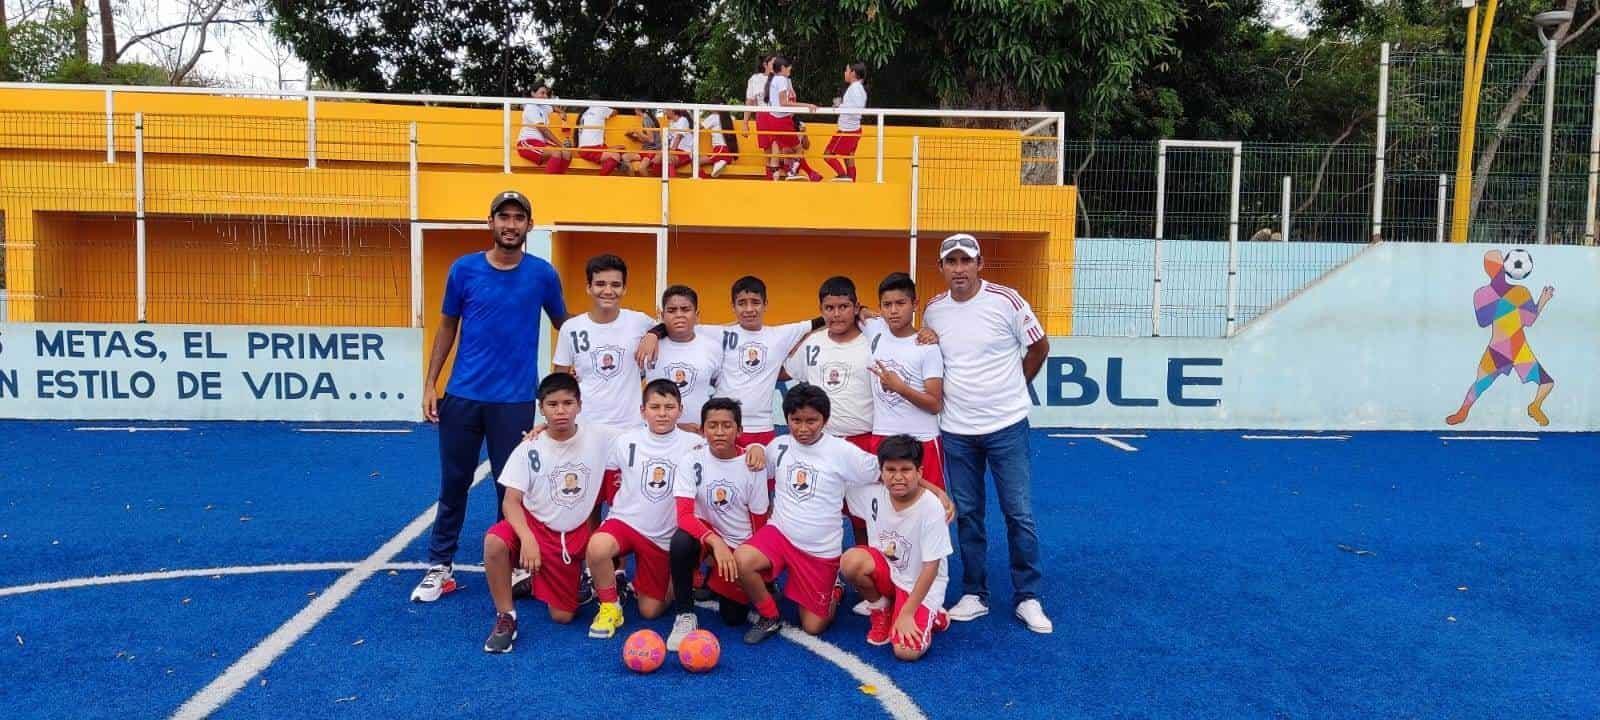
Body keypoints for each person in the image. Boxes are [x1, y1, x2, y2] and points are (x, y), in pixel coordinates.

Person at [413, 189, 568, 604]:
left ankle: (513, 563)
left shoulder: (542, 274)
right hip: (462, 396)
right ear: (491, 223)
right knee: (455, 483)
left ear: (529, 226)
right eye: (504, 217)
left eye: (519, 218)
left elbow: (565, 328)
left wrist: (566, 383)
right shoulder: (463, 270)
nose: (511, 224)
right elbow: (447, 327)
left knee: (511, 490)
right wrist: (432, 383)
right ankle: (439, 566)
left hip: (515, 400)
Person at [922, 232, 1053, 634]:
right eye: (951, 262)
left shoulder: (1006, 301)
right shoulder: (933, 310)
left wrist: (1017, 385)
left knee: (1019, 513)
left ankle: (1028, 597)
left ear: (980, 264)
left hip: (1006, 426)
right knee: (969, 516)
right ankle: (975, 594)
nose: (958, 269)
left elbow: (1039, 347)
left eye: (966, 261)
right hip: (957, 431)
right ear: (942, 268)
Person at [481, 373, 617, 652]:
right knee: (494, 541)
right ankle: (506, 617)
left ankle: (539, 580)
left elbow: (647, 435)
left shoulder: (601, 436)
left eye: (568, 403)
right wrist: (527, 538)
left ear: (580, 405)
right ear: (541, 408)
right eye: (552, 404)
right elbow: (510, 502)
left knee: (563, 616)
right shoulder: (529, 447)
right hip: (535, 525)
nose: (561, 410)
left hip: (572, 533)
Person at [734, 383, 879, 643]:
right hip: (779, 534)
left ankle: (833, 587)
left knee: (813, 626)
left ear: (825, 419)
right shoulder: (778, 446)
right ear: (786, 418)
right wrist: (754, 447)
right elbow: (749, 464)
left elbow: (883, 470)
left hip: (820, 549)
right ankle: (770, 616)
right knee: (742, 560)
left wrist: (932, 491)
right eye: (795, 420)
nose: (802, 428)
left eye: (811, 421)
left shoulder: (842, 451)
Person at [586, 380, 726, 639]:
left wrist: (753, 449)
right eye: (655, 407)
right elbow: (609, 476)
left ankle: (673, 574)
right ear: (642, 411)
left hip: (663, 537)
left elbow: (726, 454)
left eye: (669, 407)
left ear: (680, 410)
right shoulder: (624, 440)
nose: (662, 413)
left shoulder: (695, 444)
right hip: (626, 523)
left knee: (651, 611)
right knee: (596, 547)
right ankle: (609, 606)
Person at [665, 397, 771, 650]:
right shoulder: (691, 460)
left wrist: (755, 569)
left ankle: (716, 577)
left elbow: (760, 521)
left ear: (740, 431)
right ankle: (685, 615)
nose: (719, 432)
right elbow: (684, 516)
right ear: (703, 431)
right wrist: (716, 543)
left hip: (739, 546)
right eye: (713, 426)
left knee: (733, 618)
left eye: (727, 425)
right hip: (709, 538)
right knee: (680, 540)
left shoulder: (752, 465)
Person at [840, 435, 952, 661]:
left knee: (906, 652)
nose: (898, 477)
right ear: (880, 472)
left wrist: (908, 613)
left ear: (919, 473)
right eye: (890, 470)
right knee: (851, 561)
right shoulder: (871, 494)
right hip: (888, 575)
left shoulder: (931, 507)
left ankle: (935, 615)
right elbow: (832, 474)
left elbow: (931, 568)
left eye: (905, 470)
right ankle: (881, 610)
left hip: (919, 585)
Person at [1445, 249, 1557, 426]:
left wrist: (1541, 300)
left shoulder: (1487, 294)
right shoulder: (1515, 293)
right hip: (1512, 349)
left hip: (1506, 349)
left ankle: (1533, 406)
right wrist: (1536, 302)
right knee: (1546, 383)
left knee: (1481, 384)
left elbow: (1525, 320)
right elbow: (1526, 320)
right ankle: (1534, 406)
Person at [552, 254, 658, 430]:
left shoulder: (639, 321)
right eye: (600, 284)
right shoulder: (571, 328)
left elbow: (667, 327)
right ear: (589, 288)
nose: (608, 291)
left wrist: (654, 334)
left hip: (630, 427)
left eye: (615, 285)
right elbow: (558, 383)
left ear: (624, 289)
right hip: (585, 426)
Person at [866, 272, 945, 488]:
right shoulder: (875, 330)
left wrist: (901, 388)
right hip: (883, 436)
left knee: (931, 508)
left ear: (914, 304)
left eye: (900, 303)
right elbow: (856, 311)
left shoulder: (927, 347)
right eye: (887, 304)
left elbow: (935, 404)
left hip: (922, 440)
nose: (893, 310)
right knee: (884, 510)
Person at [784, 276, 874, 450]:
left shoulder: (873, 342)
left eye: (844, 307)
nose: (836, 314)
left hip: (864, 441)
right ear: (821, 310)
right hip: (822, 442)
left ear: (856, 308)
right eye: (829, 308)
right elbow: (786, 373)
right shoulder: (812, 342)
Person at [645, 285, 722, 433]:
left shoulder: (713, 348)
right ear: (662, 316)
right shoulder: (649, 347)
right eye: (672, 310)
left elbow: (721, 391)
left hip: (699, 437)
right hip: (656, 436)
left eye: (685, 309)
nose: (679, 315)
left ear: (697, 315)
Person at [759, 56, 822, 182]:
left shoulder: (775, 80)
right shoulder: (782, 79)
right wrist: (807, 105)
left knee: (784, 150)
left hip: (774, 119)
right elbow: (783, 103)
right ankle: (796, 172)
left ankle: (799, 173)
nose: (790, 71)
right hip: (781, 120)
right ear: (782, 68)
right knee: (798, 148)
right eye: (789, 69)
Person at [823, 63, 868, 182]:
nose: (845, 73)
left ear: (853, 73)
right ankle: (851, 182)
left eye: (846, 70)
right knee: (849, 157)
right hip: (852, 129)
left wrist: (840, 106)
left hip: (847, 130)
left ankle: (843, 176)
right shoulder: (856, 87)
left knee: (827, 155)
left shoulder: (856, 88)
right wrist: (841, 105)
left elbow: (857, 108)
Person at [516, 83, 572, 174]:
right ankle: (547, 184)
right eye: (542, 93)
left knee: (567, 153)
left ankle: (559, 181)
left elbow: (552, 108)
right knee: (556, 152)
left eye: (546, 94)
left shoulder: (543, 106)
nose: (545, 96)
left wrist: (561, 112)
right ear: (533, 94)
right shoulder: (531, 107)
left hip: (541, 143)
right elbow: (543, 129)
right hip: (527, 143)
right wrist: (560, 144)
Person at [574, 104, 634, 176]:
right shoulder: (600, 108)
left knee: (620, 149)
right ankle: (600, 180)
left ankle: (619, 167)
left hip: (589, 148)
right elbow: (615, 112)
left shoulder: (585, 112)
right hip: (591, 149)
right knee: (615, 156)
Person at [697, 110, 739, 178]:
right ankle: (720, 162)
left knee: (696, 162)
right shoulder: (730, 117)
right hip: (728, 150)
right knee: (701, 159)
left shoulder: (713, 117)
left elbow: (698, 127)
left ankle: (704, 180)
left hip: (720, 150)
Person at [744, 54, 775, 137]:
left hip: (777, 115)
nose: (776, 66)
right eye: (773, 63)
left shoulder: (781, 78)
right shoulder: (755, 79)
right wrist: (745, 124)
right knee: (767, 147)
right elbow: (749, 101)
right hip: (762, 116)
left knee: (778, 145)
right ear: (765, 65)